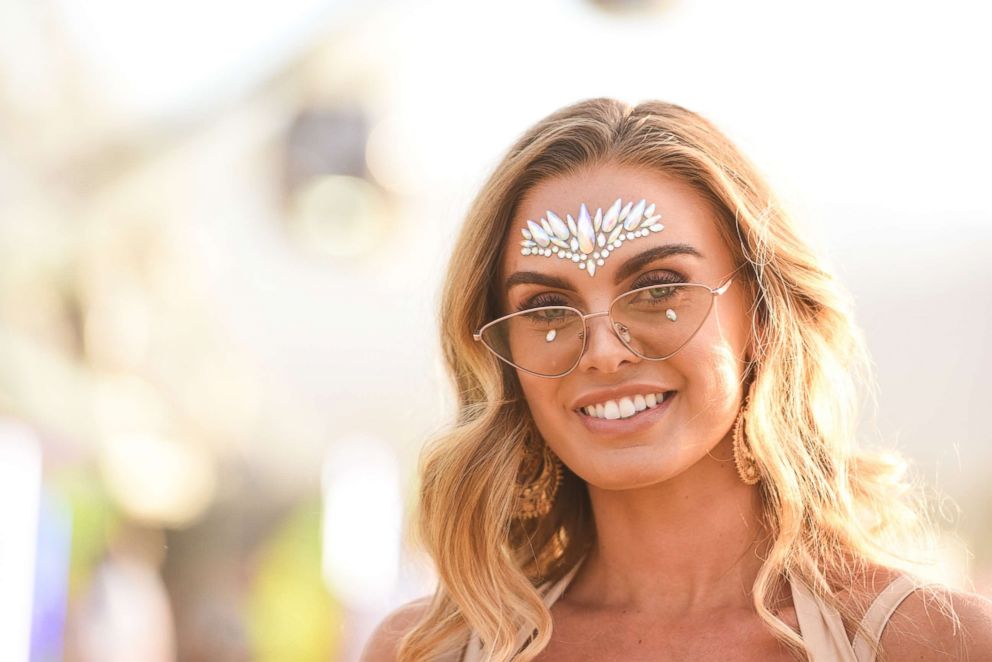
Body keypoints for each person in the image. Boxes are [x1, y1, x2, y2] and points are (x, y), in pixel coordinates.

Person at [361, 98, 992, 661]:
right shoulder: (429, 651)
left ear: (763, 312)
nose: (603, 352)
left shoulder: (939, 644)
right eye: (547, 308)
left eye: (658, 288)